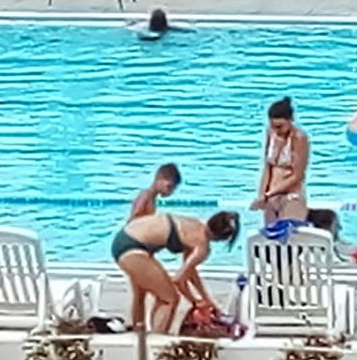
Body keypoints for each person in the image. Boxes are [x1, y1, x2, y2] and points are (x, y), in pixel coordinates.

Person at [111, 210, 241, 334]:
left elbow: (190, 272)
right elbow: (178, 280)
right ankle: (156, 344)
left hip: (125, 237)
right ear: (222, 239)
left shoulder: (195, 223)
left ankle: (139, 336)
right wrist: (195, 301)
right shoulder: (202, 247)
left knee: (146, 294)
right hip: (133, 249)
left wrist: (206, 299)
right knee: (170, 299)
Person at [254, 97, 310, 226]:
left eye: (280, 127)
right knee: (271, 238)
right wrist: (262, 194)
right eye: (273, 126)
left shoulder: (299, 138)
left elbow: (297, 175)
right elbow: (268, 167)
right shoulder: (271, 133)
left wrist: (269, 193)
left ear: (291, 120)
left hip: (291, 196)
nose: (276, 130)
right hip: (271, 196)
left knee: (289, 237)